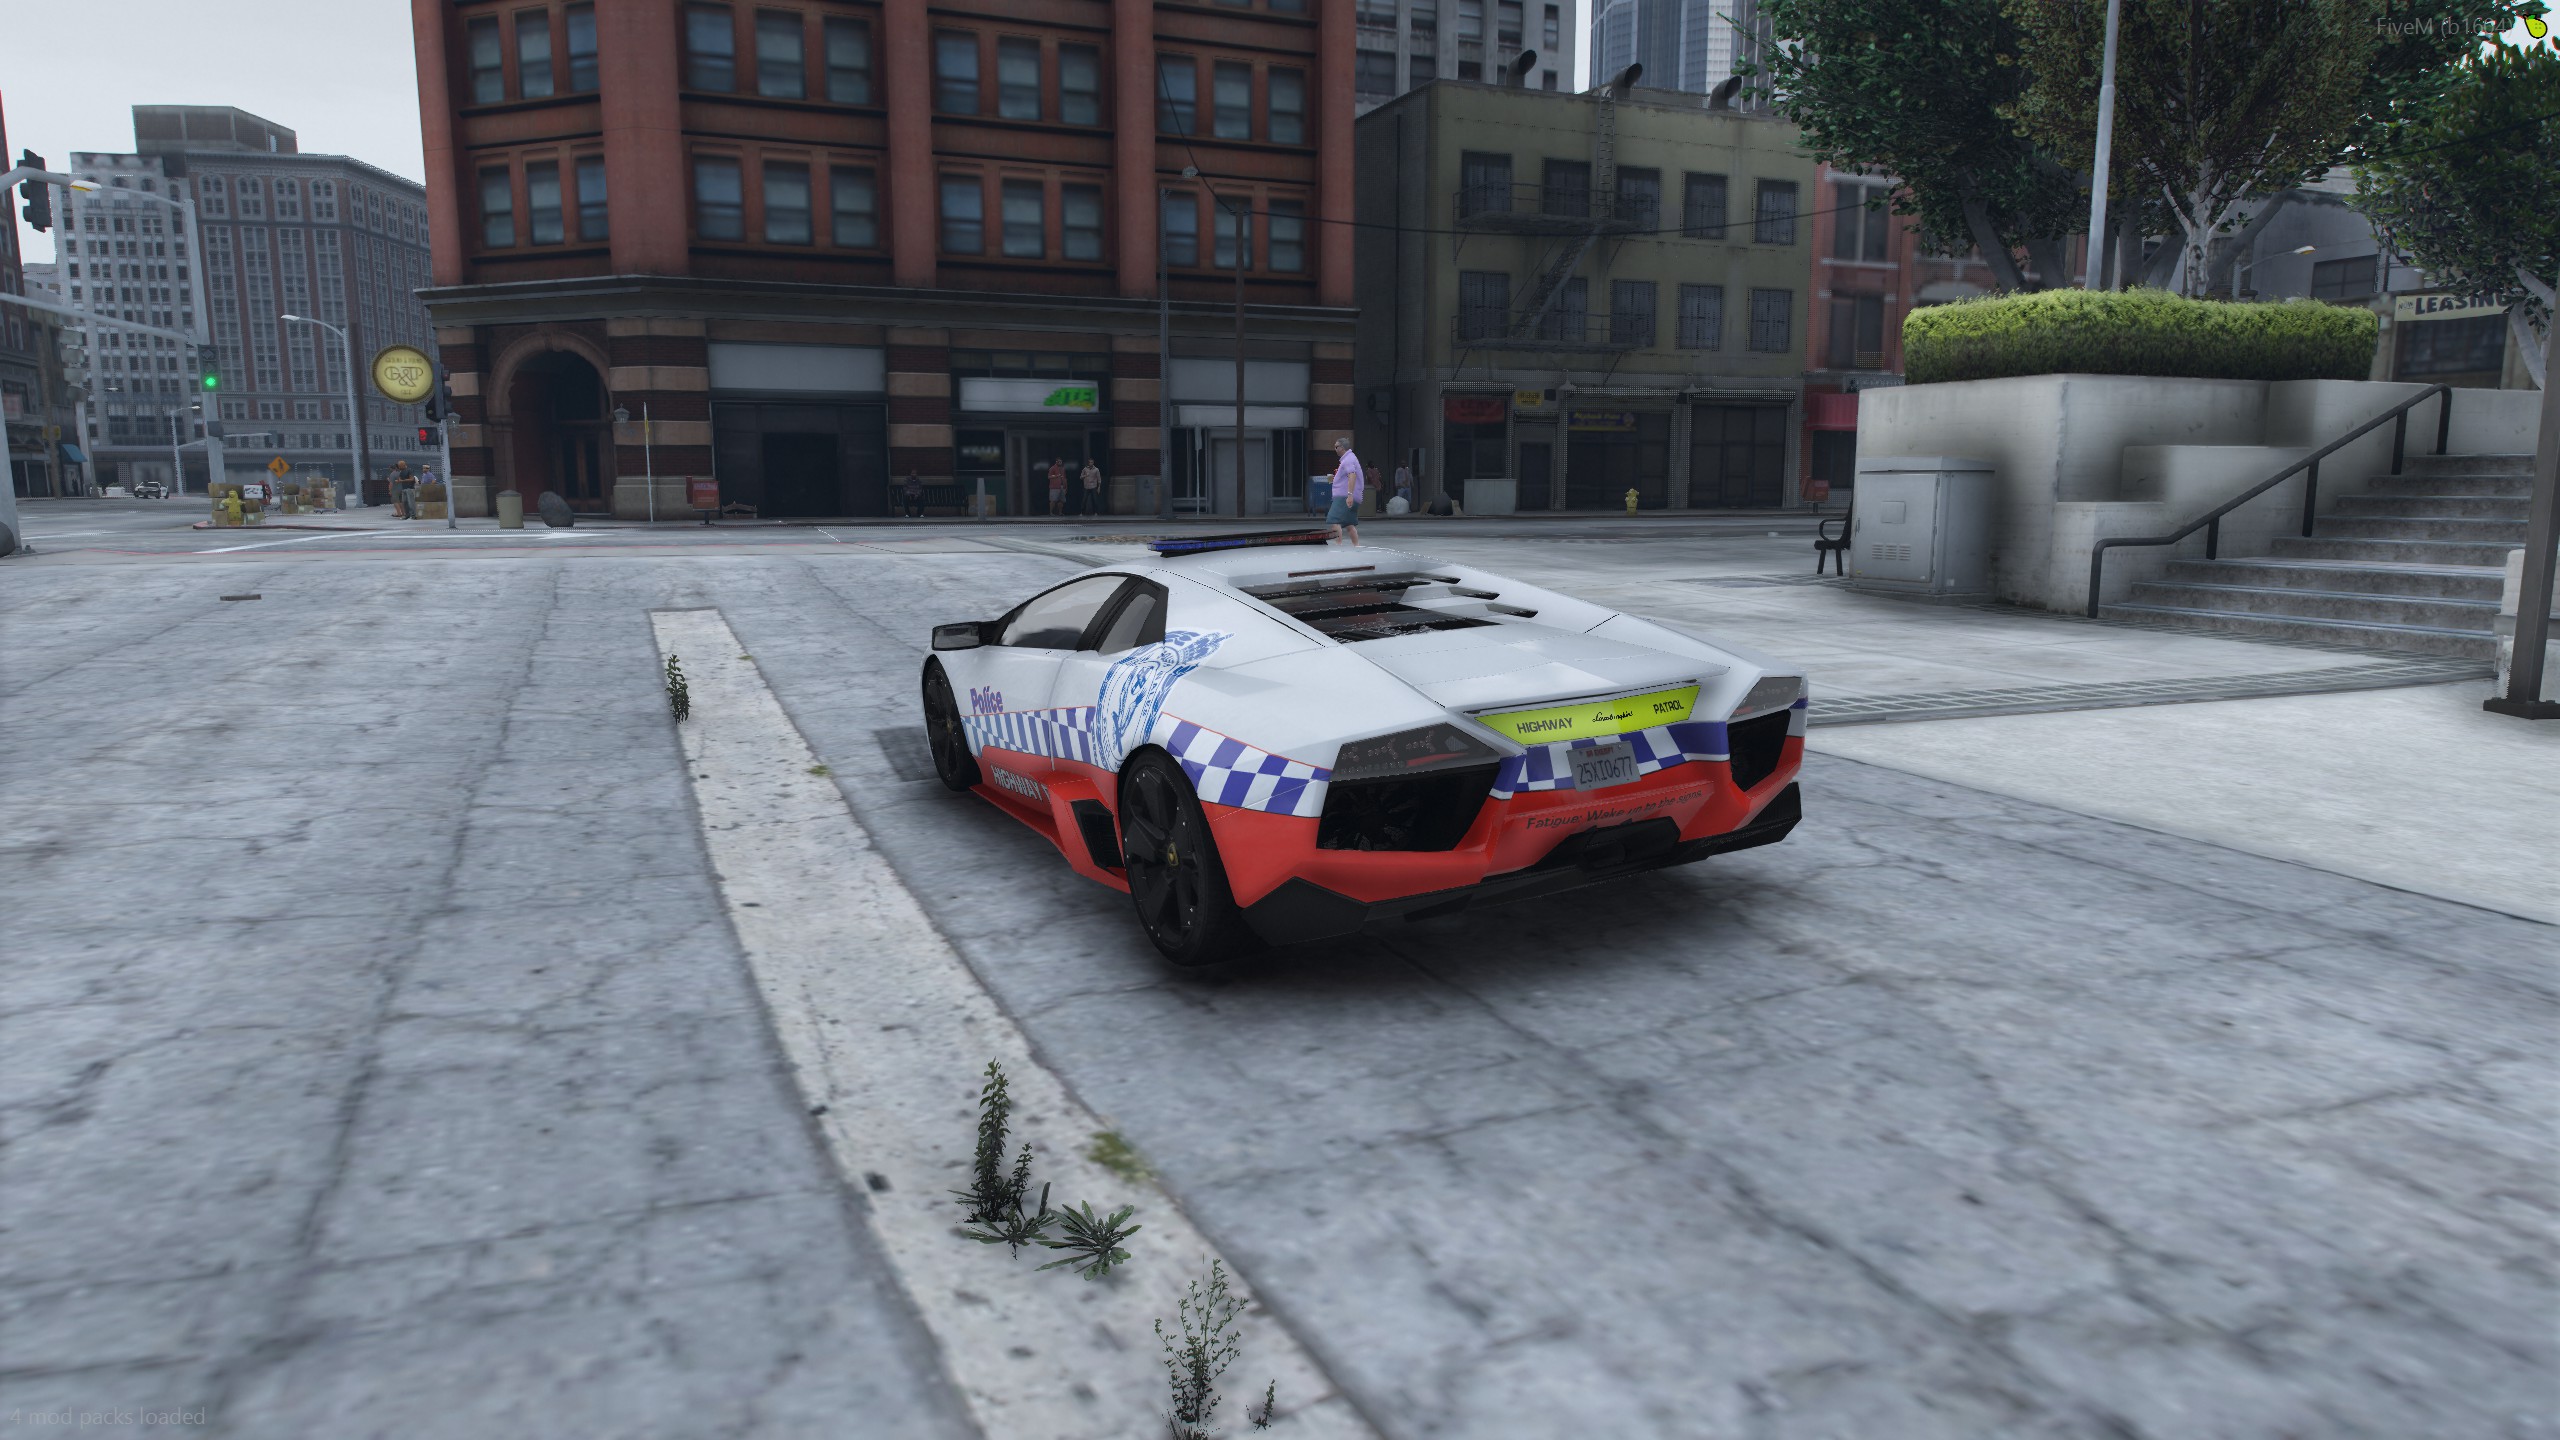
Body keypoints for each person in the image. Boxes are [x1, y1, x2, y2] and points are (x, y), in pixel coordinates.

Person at [1326, 435, 1364, 546]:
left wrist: (1349, 495)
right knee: (1349, 524)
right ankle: (1356, 546)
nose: (1335, 449)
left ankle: (1338, 546)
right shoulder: (1351, 458)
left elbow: (1352, 475)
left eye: (1336, 447)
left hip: (1344, 496)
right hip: (1352, 495)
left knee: (1334, 520)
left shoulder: (1348, 459)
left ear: (1342, 448)